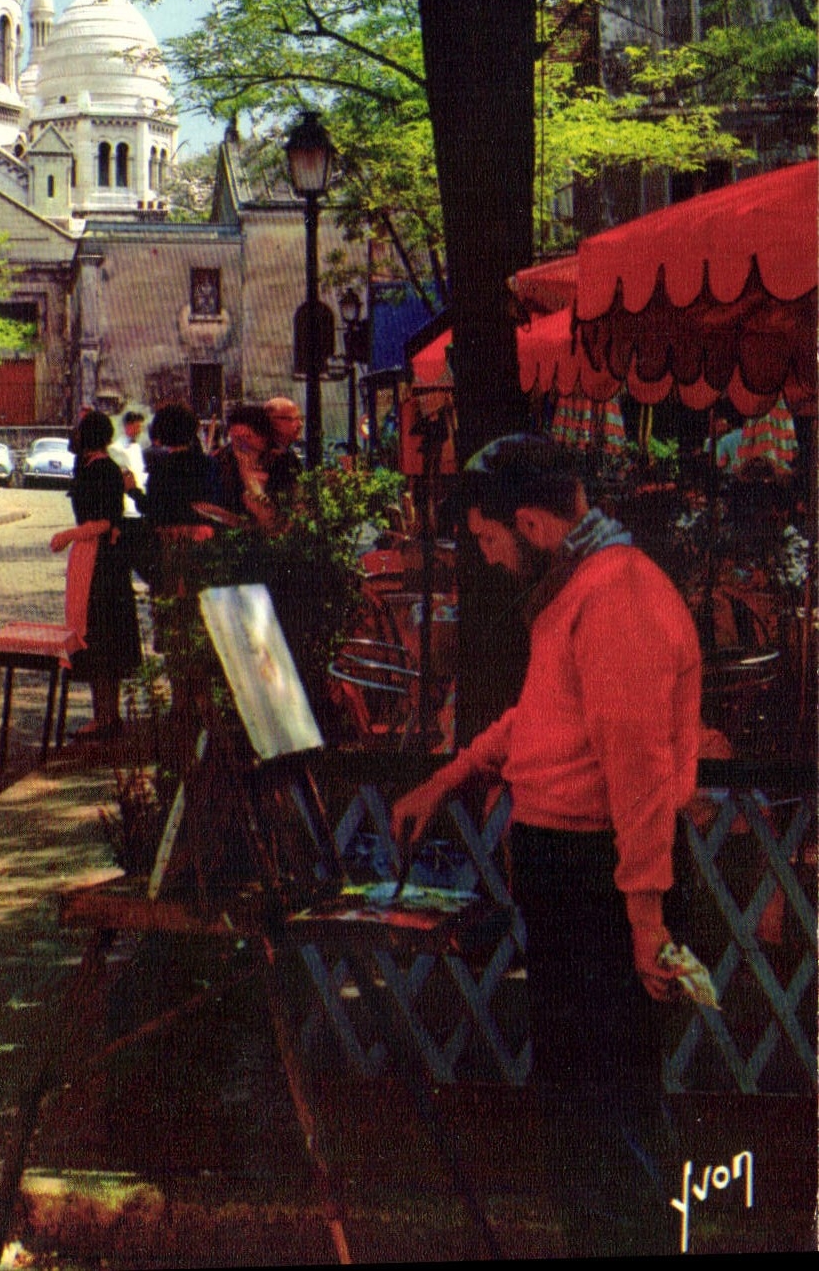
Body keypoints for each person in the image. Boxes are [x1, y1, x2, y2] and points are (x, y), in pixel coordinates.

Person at [390, 434, 701, 1256]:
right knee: (578, 1098)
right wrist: (451, 775)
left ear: (529, 523)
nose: (489, 562)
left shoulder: (614, 597)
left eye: (491, 542)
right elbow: (545, 716)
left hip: (600, 882)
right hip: (574, 876)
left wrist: (644, 919)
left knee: (606, 1106)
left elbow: (637, 772)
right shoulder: (580, 589)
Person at [51, 409, 141, 740]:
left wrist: (67, 536)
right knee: (97, 633)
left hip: (100, 559)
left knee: (99, 633)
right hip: (94, 556)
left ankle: (106, 716)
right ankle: (104, 714)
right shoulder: (95, 467)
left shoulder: (100, 469)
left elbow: (104, 520)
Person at [208, 403, 285, 532]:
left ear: (263, 437)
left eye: (247, 437)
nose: (240, 444)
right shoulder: (220, 459)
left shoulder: (282, 461)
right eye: (235, 438)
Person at [108, 410, 149, 518]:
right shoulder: (116, 449)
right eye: (137, 427)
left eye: (140, 427)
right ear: (128, 426)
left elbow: (140, 473)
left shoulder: (137, 448)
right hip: (126, 507)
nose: (139, 431)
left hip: (139, 505)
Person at [263, 395, 304, 499]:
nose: (300, 424)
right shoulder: (261, 454)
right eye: (292, 419)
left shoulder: (290, 456)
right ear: (271, 421)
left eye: (300, 418)